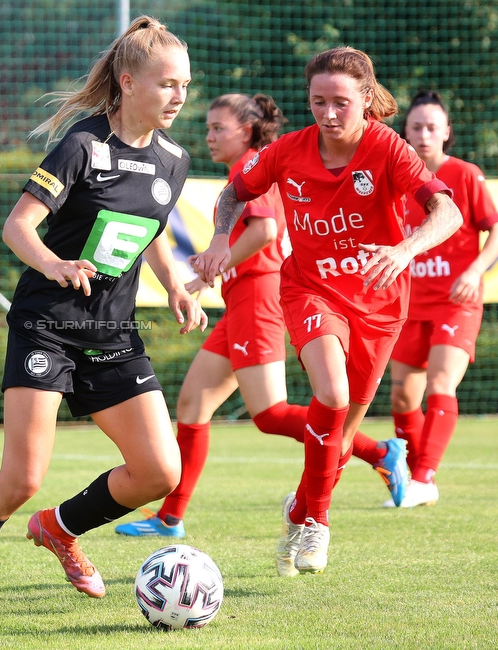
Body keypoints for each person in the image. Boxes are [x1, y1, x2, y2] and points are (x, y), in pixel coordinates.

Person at [0, 16, 206, 629]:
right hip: (48, 325)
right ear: (127, 82)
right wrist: (55, 263)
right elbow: (18, 226)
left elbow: (149, 232)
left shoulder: (175, 160)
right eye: (167, 84)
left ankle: (59, 529)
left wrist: (175, 285)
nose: (178, 97)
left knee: (159, 471)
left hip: (113, 333)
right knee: (21, 478)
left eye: (184, 86)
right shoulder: (82, 145)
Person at [192, 47, 463, 576]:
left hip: (380, 304)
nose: (329, 113)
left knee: (338, 436)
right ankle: (316, 522)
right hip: (310, 291)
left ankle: (299, 509)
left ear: (365, 99)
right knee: (331, 394)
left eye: (341, 102)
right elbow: (235, 193)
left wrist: (404, 249)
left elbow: (446, 210)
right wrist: (221, 238)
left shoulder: (387, 148)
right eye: (318, 102)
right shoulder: (288, 151)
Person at [113, 93, 409, 542]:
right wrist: (211, 272)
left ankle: (378, 451)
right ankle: (170, 517)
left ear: (246, 131)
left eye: (219, 128)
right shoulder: (251, 167)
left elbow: (266, 229)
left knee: (269, 413)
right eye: (209, 128)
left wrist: (219, 258)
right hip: (240, 300)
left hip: (260, 294)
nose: (210, 136)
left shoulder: (253, 164)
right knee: (193, 403)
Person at [386, 90, 498, 508]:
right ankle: (417, 482)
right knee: (401, 397)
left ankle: (423, 477)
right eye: (416, 126)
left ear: (446, 132)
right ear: (405, 131)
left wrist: (474, 271)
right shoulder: (397, 176)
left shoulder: (466, 175)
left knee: (441, 383)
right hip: (407, 304)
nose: (423, 134)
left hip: (457, 301)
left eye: (431, 127)